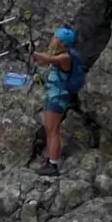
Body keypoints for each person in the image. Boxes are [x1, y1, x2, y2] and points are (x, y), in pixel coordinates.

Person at [30, 27, 82, 176]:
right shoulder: (59, 55)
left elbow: (45, 59)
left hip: (58, 98)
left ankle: (53, 165)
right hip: (52, 96)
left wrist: (32, 52)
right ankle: (49, 160)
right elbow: (43, 60)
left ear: (62, 43)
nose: (53, 40)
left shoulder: (64, 58)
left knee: (53, 131)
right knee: (49, 129)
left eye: (56, 38)